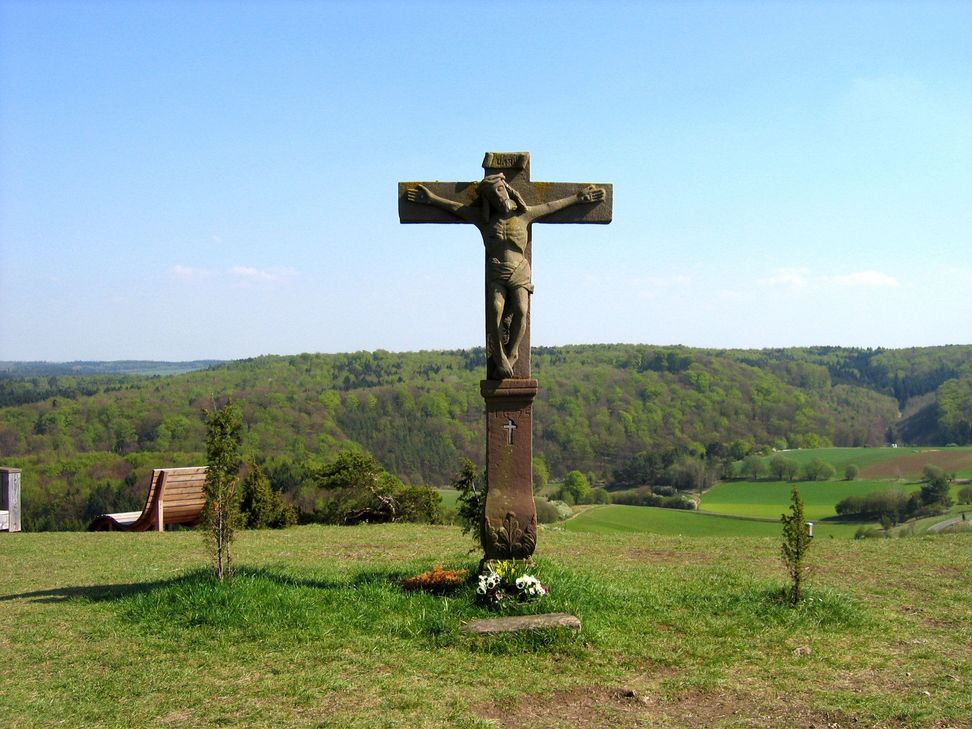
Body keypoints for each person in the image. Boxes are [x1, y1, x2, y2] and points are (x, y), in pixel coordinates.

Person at [407, 173, 604, 379]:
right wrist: (432, 199)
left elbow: (549, 207)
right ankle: (499, 355)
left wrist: (577, 198)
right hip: (497, 270)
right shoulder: (485, 221)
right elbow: (457, 208)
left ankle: (513, 351)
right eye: (493, 195)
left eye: (500, 190)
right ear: (488, 200)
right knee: (495, 308)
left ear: (508, 190)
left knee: (521, 310)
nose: (498, 197)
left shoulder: (524, 216)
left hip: (519, 269)